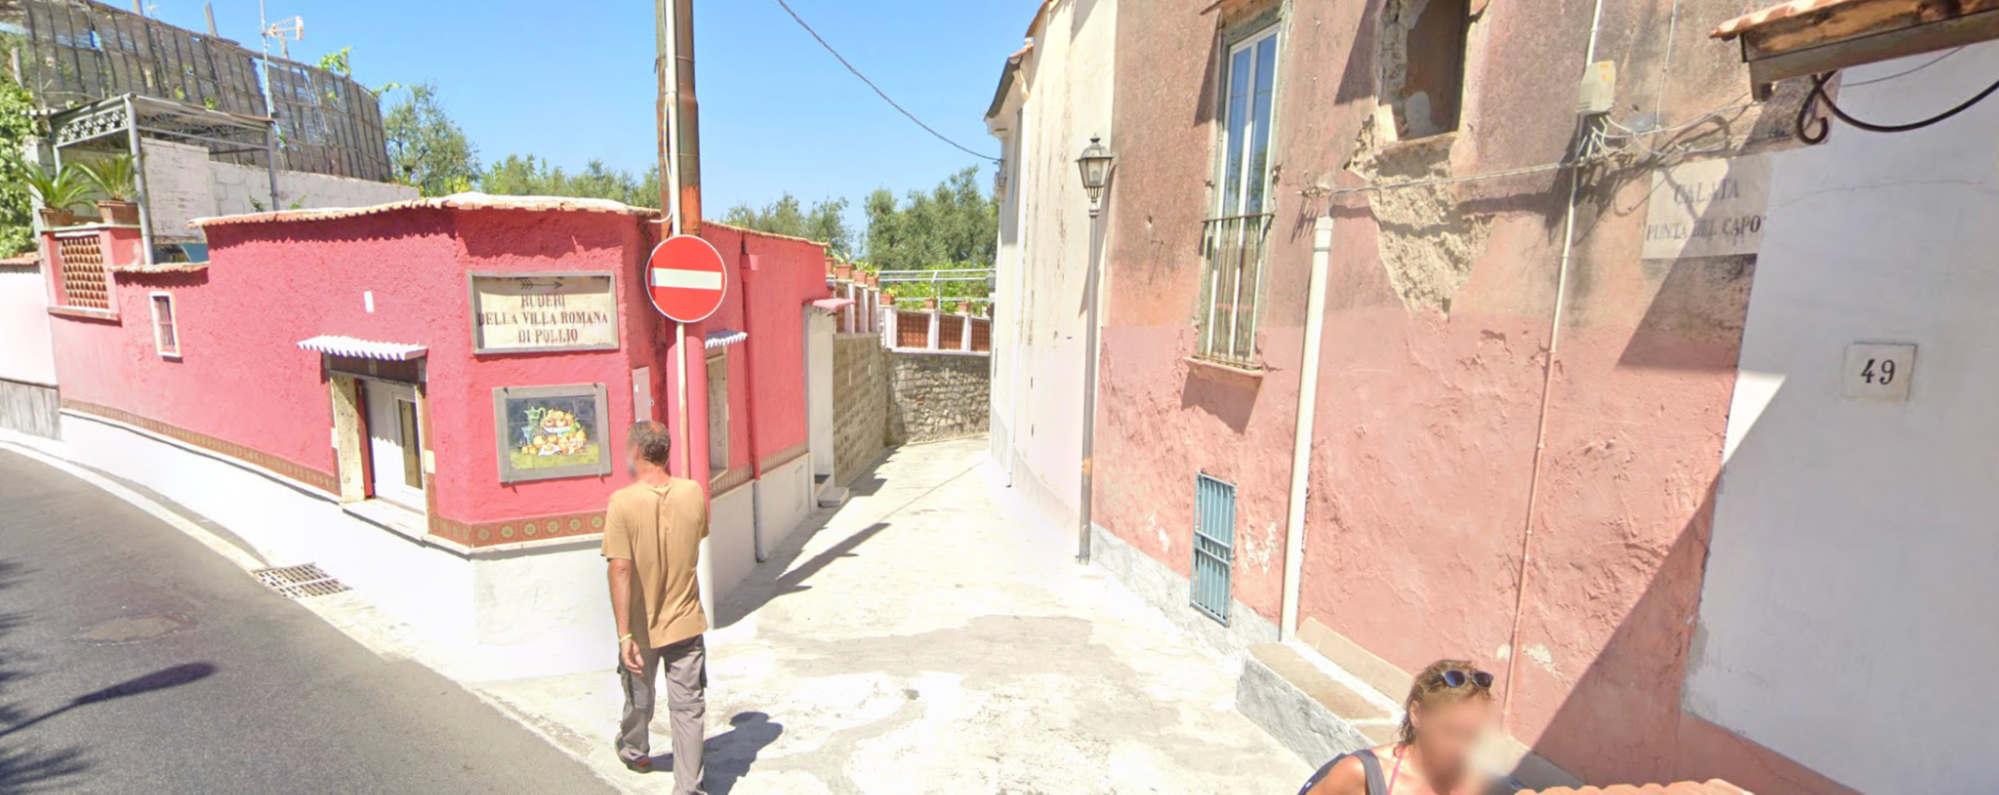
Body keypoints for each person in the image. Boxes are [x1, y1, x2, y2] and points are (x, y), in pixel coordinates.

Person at [604, 420, 709, 794]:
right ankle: (689, 788)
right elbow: (697, 536)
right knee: (688, 708)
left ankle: (636, 750)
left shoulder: (623, 502)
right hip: (685, 621)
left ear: (636, 452)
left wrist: (624, 634)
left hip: (640, 627)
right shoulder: (694, 492)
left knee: (639, 694)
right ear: (666, 452)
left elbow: (620, 567)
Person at [1300, 659, 1499, 795]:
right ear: (1417, 715)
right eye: (1450, 732)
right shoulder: (1361, 774)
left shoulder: (1477, 786)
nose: (1461, 748)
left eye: (1471, 736)